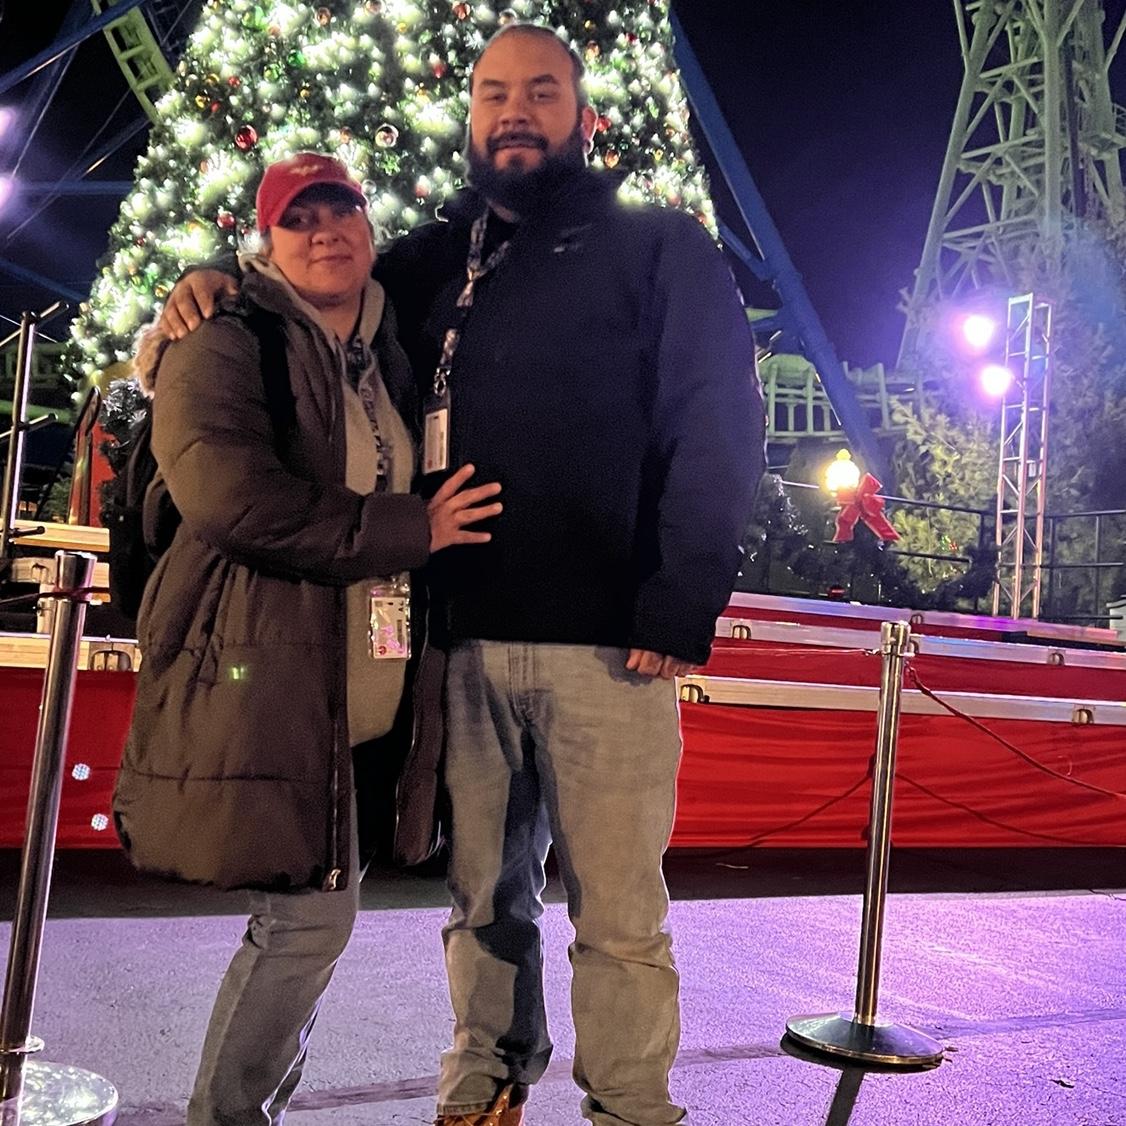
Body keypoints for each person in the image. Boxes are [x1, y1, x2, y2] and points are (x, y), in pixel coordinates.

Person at [161, 22, 766, 1126]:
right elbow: (307, 283)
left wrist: (681, 598)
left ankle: (629, 1105)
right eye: (493, 94)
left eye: (541, 92)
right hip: (461, 641)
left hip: (610, 644)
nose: (514, 112)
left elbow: (717, 422)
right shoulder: (435, 259)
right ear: (474, 117)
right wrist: (205, 281)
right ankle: (485, 1081)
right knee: (482, 898)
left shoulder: (660, 249)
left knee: (618, 913)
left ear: (585, 118)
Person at [115, 152, 501, 1126]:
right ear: (267, 241)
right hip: (267, 671)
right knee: (305, 922)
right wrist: (412, 528)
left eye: (342, 212)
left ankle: (250, 1106)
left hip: (361, 691)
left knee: (315, 921)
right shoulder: (224, 338)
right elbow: (232, 500)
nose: (326, 232)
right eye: (301, 218)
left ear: (368, 226)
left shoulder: (388, 349)